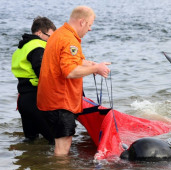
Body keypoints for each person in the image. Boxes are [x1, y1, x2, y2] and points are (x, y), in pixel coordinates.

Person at [37, 6, 111, 156]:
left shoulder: (59, 34)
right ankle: (61, 169)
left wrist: (91, 64)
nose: (90, 29)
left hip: (50, 101)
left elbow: (67, 61)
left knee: (61, 144)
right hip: (60, 103)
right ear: (82, 22)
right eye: (90, 25)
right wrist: (95, 69)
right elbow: (70, 71)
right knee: (62, 149)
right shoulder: (69, 40)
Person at [11, 16, 56, 144]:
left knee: (31, 140)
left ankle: (28, 161)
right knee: (56, 140)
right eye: (50, 36)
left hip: (23, 101)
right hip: (36, 100)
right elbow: (43, 73)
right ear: (39, 33)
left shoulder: (21, 48)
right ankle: (60, 164)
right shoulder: (38, 46)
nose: (50, 41)